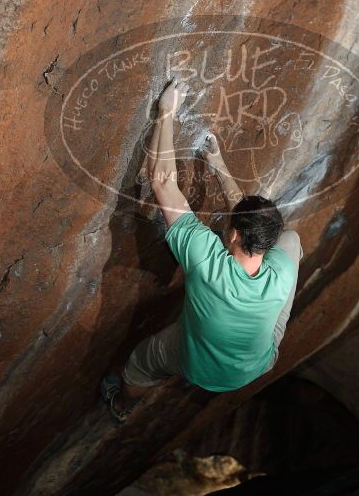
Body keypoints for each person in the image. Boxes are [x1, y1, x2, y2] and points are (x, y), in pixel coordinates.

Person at [100, 79, 302, 423]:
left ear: (233, 234)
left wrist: (166, 112)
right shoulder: (282, 265)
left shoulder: (205, 259)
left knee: (142, 363)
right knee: (294, 242)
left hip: (199, 366)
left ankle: (122, 406)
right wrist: (218, 163)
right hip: (256, 364)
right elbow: (253, 225)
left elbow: (162, 180)